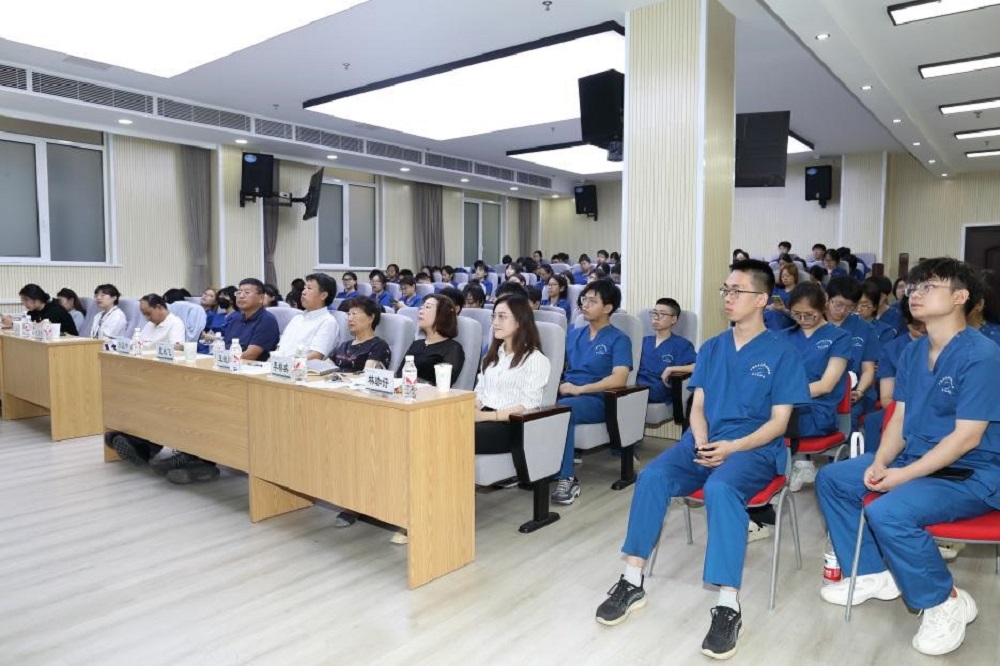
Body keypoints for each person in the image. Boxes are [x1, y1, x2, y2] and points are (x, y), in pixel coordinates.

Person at [594, 259, 809, 660]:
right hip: (703, 442)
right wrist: (704, 441)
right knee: (652, 477)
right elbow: (698, 406)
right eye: (725, 290)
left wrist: (732, 448)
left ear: (761, 299)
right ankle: (632, 579)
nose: (727, 297)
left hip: (754, 449)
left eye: (737, 291)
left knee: (721, 488)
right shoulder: (712, 347)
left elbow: (780, 423)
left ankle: (728, 605)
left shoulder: (783, 353)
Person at [815, 257, 1000, 657]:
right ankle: (873, 572)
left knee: (889, 512)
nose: (915, 294)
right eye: (913, 287)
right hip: (916, 459)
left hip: (971, 472)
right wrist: (881, 461)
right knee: (833, 479)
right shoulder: (914, 352)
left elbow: (967, 438)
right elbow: (899, 416)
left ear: (960, 297)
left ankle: (944, 601)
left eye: (929, 286)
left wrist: (903, 476)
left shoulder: (983, 355)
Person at [552, 279, 632, 505]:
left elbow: (619, 379)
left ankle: (567, 478)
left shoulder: (619, 339)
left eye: (592, 301)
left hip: (598, 399)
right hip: (568, 393)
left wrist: (580, 389)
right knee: (536, 407)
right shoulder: (574, 334)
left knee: (562, 410)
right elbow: (556, 366)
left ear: (607, 308)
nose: (584, 305)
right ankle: (540, 469)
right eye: (584, 299)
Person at [780, 282, 851, 494]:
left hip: (816, 408)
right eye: (796, 314)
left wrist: (782, 395)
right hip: (785, 406)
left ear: (823, 307)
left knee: (769, 419)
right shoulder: (783, 336)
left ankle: (797, 464)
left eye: (809, 315)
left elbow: (826, 385)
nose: (802, 319)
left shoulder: (839, 337)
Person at [473, 294, 551, 453]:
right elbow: (479, 391)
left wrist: (485, 417)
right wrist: (473, 409)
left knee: (457, 434)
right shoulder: (492, 356)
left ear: (519, 321)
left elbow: (528, 405)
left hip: (510, 425)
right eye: (494, 316)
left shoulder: (535, 359)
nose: (495, 322)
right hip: (485, 417)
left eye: (502, 317)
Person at [826, 277, 881, 431]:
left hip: (854, 392)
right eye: (838, 305)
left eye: (850, 307)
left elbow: (868, 369)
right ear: (827, 298)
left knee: (848, 419)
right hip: (822, 391)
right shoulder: (814, 323)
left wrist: (859, 391)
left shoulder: (864, 328)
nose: (843, 311)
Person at [637, 298, 697, 405]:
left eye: (662, 314)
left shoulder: (681, 344)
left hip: (657, 390)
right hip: (635, 386)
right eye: (654, 313)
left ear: (673, 319)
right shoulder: (643, 341)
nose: (656, 317)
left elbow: (699, 366)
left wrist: (672, 369)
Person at [396, 294, 464, 386]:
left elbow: (443, 383)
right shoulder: (416, 344)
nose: (421, 310)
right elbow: (400, 375)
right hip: (406, 392)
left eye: (427, 307)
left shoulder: (453, 348)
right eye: (421, 307)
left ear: (442, 314)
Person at [274, 273, 339, 360]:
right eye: (304, 288)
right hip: (280, 365)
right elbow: (280, 348)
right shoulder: (297, 318)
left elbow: (316, 356)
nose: (303, 292)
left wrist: (288, 364)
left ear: (323, 295)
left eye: (309, 288)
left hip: (302, 367)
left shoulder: (328, 322)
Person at [877, 297, 925, 408]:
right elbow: (886, 398)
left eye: (926, 321)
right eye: (917, 324)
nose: (923, 328)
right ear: (906, 321)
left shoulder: (947, 345)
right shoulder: (892, 349)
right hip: (902, 409)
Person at [329, 296, 392, 373]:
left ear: (371, 318)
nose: (349, 319)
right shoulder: (345, 345)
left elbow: (366, 375)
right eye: (349, 314)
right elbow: (325, 367)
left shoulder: (379, 346)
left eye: (354, 314)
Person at [1, 284, 79, 336]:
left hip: (71, 344)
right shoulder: (33, 312)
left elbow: (40, 327)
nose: (24, 303)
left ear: (37, 298)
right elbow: (29, 325)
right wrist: (13, 320)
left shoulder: (55, 309)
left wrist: (13, 323)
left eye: (26, 299)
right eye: (23, 300)